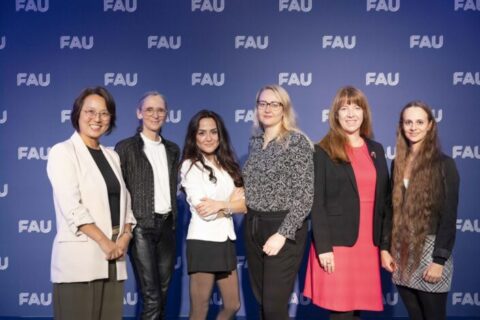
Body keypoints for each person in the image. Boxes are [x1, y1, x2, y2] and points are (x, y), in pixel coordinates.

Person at [46, 86, 136, 319]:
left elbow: (125, 202)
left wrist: (126, 235)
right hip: (81, 260)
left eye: (104, 113)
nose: (97, 118)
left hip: (114, 259)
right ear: (77, 114)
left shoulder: (112, 155)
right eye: (90, 111)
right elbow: (72, 208)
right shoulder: (63, 152)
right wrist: (105, 242)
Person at [303, 86, 390, 320]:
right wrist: (323, 247)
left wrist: (384, 245)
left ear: (364, 113)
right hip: (337, 245)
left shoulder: (376, 150)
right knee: (341, 311)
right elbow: (316, 202)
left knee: (356, 310)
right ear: (336, 115)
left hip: (367, 244)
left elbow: (385, 202)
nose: (351, 114)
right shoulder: (323, 150)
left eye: (356, 107)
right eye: (344, 108)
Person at [380, 101, 460, 320]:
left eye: (419, 122)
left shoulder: (445, 165)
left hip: (431, 250)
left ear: (430, 126)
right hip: (402, 250)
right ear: (401, 126)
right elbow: (390, 208)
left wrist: (439, 260)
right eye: (408, 122)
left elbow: (449, 216)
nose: (413, 127)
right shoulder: (397, 162)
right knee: (415, 315)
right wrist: (385, 248)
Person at [242, 84, 314, 320]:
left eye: (274, 103)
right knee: (262, 303)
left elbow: (305, 196)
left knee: (274, 308)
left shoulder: (296, 142)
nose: (267, 108)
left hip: (283, 228)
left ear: (284, 109)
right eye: (262, 103)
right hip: (253, 225)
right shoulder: (255, 142)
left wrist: (282, 233)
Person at [115, 92, 180, 319]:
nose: (155, 114)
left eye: (160, 110)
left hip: (168, 226)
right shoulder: (125, 148)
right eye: (149, 109)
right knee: (151, 295)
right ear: (139, 113)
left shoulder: (173, 150)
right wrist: (125, 227)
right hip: (141, 227)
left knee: (161, 293)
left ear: (166, 115)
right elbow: (119, 191)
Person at [180, 110, 246, 320]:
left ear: (220, 135)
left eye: (213, 132)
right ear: (194, 137)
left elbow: (244, 205)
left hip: (225, 240)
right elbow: (205, 212)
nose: (208, 138)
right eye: (202, 133)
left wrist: (220, 204)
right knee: (200, 311)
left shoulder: (228, 165)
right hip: (203, 242)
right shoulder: (190, 166)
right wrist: (230, 204)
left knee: (233, 304)